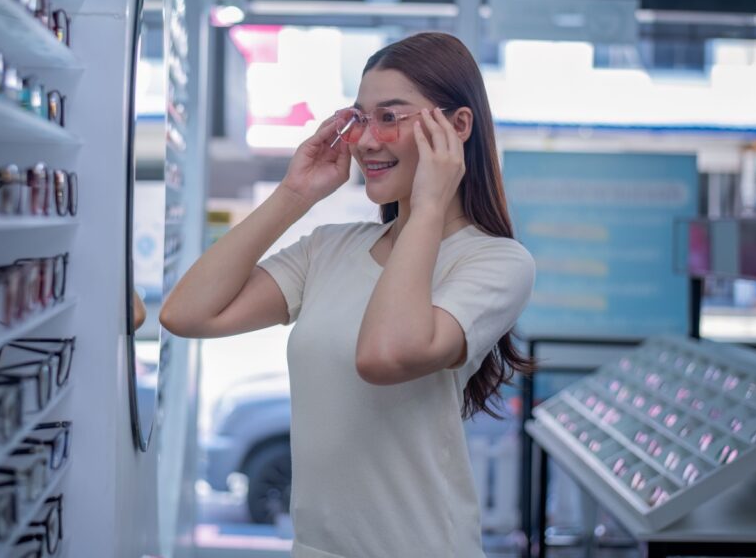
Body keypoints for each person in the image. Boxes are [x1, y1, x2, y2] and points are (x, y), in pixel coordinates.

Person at [160, 32, 536, 558]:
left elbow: (383, 355)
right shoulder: (329, 248)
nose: (364, 140)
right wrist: (295, 194)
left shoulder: (494, 262)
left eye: (391, 117)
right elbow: (187, 313)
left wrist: (428, 206)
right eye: (360, 118)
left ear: (457, 127)